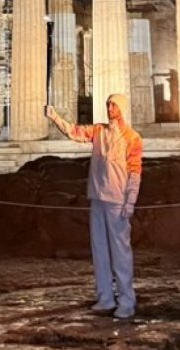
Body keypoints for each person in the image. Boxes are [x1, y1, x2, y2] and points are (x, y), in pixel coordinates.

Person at [46, 94, 143, 319]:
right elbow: (75, 132)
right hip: (97, 198)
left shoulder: (132, 138)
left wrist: (131, 201)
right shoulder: (99, 131)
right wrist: (55, 118)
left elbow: (135, 171)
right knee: (99, 250)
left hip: (117, 200)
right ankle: (105, 297)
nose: (109, 108)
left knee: (121, 252)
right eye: (108, 104)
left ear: (123, 108)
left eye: (114, 105)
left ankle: (127, 301)